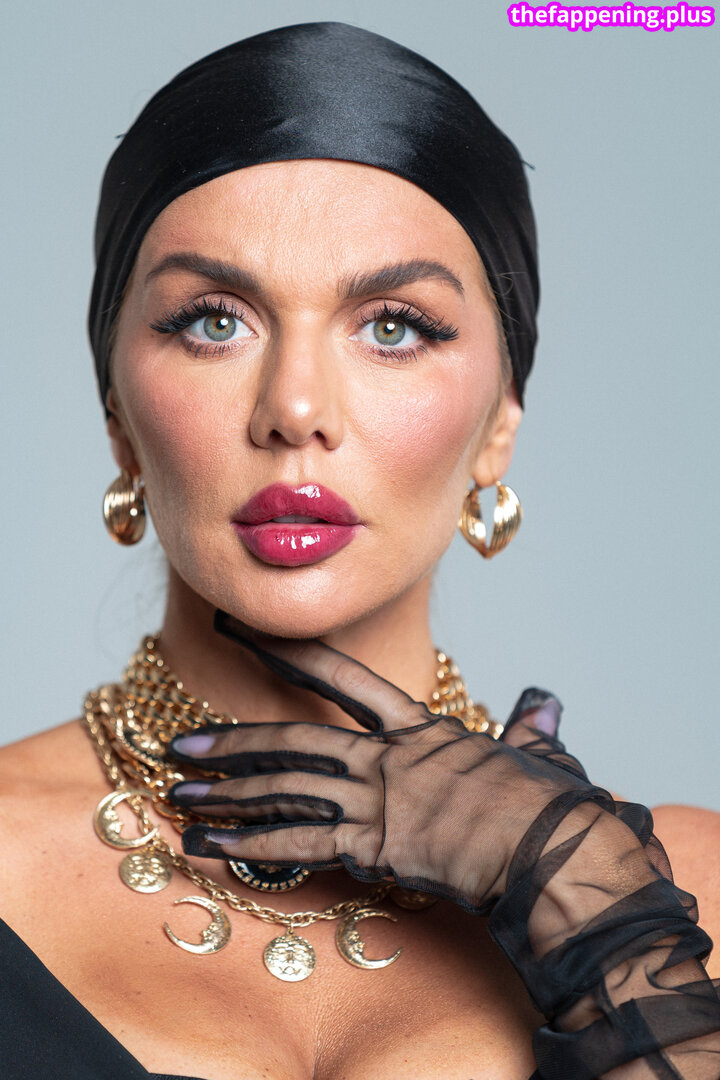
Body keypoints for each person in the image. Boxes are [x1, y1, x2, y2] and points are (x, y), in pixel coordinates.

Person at [0, 20, 718, 1080]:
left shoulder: (684, 894)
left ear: (500, 422)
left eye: (394, 326)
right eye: (213, 320)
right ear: (117, 415)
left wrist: (603, 931)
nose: (295, 409)